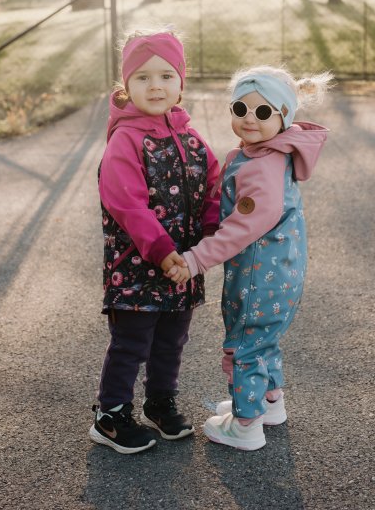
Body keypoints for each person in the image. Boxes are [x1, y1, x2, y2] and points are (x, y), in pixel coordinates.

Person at [168, 65, 332, 451]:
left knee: (245, 346)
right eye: (240, 109)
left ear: (283, 117)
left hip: (260, 279)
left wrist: (195, 260)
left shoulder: (261, 166)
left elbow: (242, 228)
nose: (249, 120)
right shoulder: (269, 152)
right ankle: (268, 403)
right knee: (262, 341)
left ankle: (245, 425)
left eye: (262, 112)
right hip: (279, 273)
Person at [89, 28, 222, 454]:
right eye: (142, 77)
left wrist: (212, 234)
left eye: (166, 75)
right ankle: (110, 416)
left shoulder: (191, 138)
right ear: (125, 85)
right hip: (138, 267)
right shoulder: (126, 139)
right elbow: (127, 204)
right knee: (131, 343)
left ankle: (160, 402)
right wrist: (163, 252)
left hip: (183, 267)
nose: (156, 86)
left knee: (171, 341)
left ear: (181, 82)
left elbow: (213, 185)